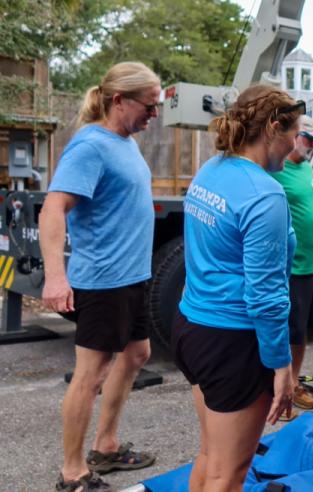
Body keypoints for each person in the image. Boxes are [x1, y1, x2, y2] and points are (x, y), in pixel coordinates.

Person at [40, 61, 161, 492]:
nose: (155, 113)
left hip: (132, 276)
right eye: (149, 105)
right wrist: (56, 277)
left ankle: (106, 447)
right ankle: (72, 473)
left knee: (137, 355)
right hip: (104, 279)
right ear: (118, 100)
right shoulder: (90, 145)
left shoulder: (124, 141)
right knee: (91, 373)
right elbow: (53, 209)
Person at [173, 84, 300, 491]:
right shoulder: (266, 195)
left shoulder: (213, 169)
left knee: (212, 457)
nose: (297, 145)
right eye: (295, 133)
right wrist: (282, 366)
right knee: (229, 474)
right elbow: (265, 297)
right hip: (233, 343)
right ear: (274, 128)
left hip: (193, 328)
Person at [270, 115, 313, 417]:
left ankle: (293, 383)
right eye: (309, 139)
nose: (312, 145)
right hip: (291, 265)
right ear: (293, 136)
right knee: (287, 328)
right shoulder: (276, 170)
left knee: (302, 328)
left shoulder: (305, 168)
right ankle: (280, 388)